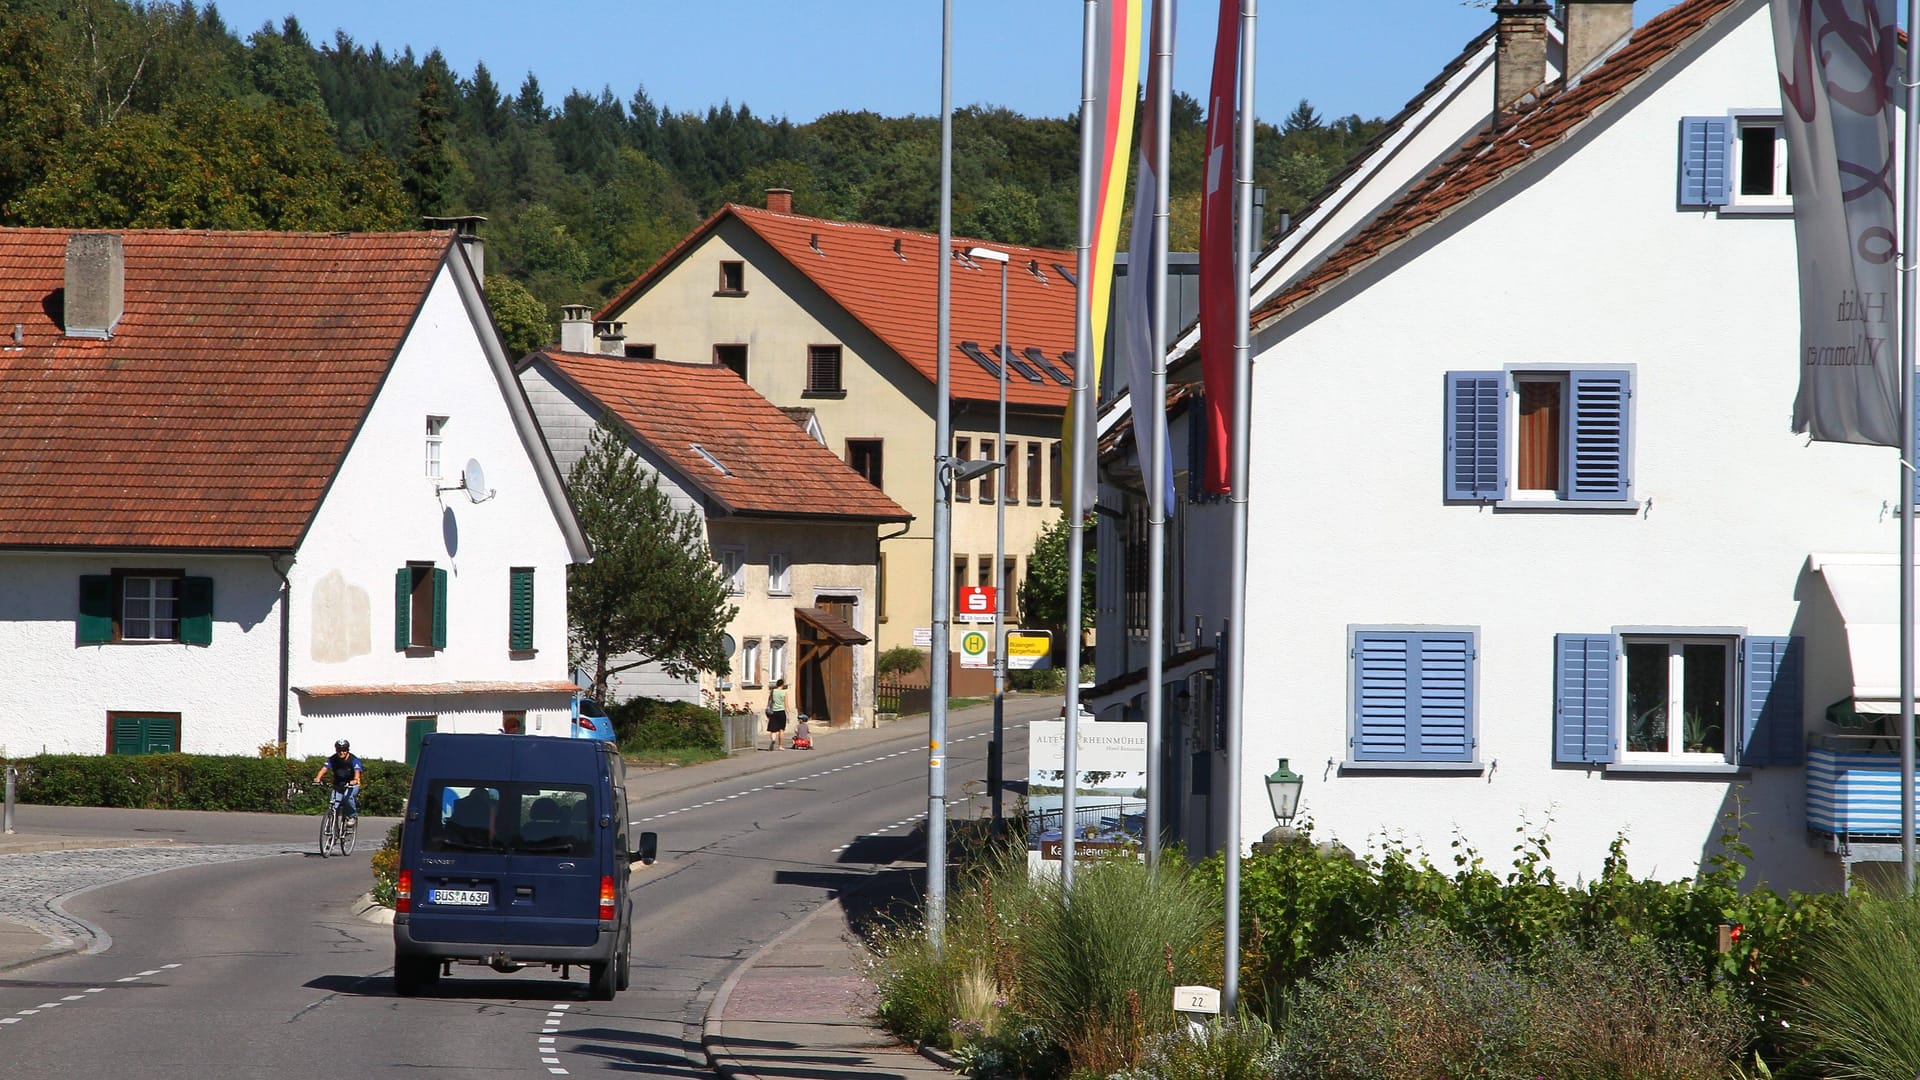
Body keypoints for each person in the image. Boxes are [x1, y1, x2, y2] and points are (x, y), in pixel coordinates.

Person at [313, 739, 363, 823]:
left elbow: (357, 771)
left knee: (348, 797)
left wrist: (355, 780)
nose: (341, 752)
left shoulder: (354, 760)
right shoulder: (333, 759)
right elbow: (324, 769)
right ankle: (333, 827)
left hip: (352, 784)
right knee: (333, 806)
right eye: (339, 750)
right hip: (338, 785)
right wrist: (318, 778)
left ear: (347, 750)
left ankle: (352, 816)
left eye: (344, 750)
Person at [765, 678, 789, 750]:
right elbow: (786, 705)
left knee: (773, 729)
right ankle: (780, 746)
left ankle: (773, 740)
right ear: (782, 685)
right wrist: (788, 715)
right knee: (781, 730)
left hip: (773, 712)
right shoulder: (784, 693)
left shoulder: (772, 691)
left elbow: (769, 701)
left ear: (776, 684)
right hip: (781, 712)